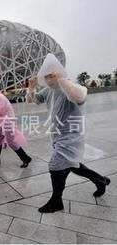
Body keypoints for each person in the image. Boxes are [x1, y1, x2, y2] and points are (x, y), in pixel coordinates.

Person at [26, 53, 111, 213]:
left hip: (72, 136)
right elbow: (33, 101)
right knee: (72, 165)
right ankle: (101, 180)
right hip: (58, 135)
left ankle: (56, 202)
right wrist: (31, 87)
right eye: (46, 77)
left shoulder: (70, 85)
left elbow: (79, 97)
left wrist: (61, 79)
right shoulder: (49, 90)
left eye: (50, 76)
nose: (48, 80)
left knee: (56, 166)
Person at [0, 82, 32, 168]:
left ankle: (26, 158)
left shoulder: (0, 98)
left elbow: (0, 111)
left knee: (11, 142)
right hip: (3, 121)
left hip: (8, 122)